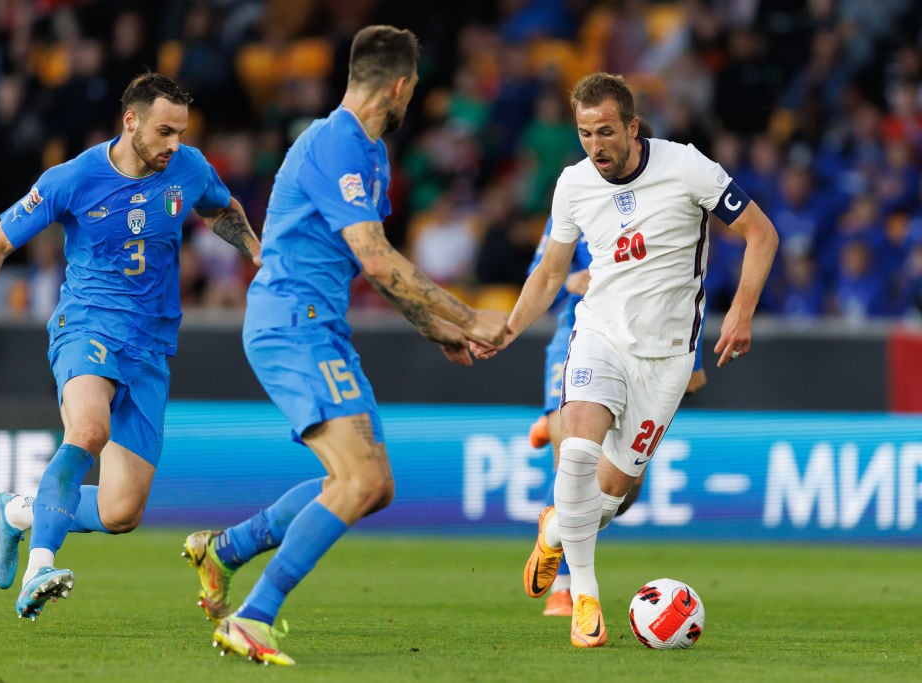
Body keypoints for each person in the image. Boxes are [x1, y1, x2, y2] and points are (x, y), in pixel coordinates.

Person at [180, 25, 508, 666]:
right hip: (292, 324)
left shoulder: (370, 153)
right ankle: (253, 617)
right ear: (402, 85)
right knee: (358, 480)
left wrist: (434, 327)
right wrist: (468, 316)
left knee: (373, 484)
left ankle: (227, 549)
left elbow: (368, 264)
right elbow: (378, 259)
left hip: (318, 325)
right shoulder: (337, 143)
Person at [0, 72, 262, 620]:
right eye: (164, 131)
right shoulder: (73, 178)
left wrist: (256, 250)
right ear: (131, 121)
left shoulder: (189, 167)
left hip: (151, 347)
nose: (174, 144)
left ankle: (16, 512)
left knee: (119, 512)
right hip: (87, 326)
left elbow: (219, 208)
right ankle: (40, 566)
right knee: (87, 429)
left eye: (180, 132)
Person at [473, 72, 777, 648]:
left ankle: (557, 527)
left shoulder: (688, 167)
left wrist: (741, 312)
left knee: (609, 498)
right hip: (599, 335)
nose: (596, 145)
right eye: (585, 133)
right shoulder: (573, 185)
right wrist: (511, 327)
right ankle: (584, 598)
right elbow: (551, 272)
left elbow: (762, 234)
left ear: (632, 127)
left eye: (606, 132)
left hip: (666, 358)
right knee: (580, 452)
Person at [526, 215, 708, 619]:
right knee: (572, 464)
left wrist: (692, 352)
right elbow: (539, 274)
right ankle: (566, 588)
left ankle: (554, 524)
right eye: (590, 144)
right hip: (579, 340)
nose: (598, 147)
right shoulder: (576, 198)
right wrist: (571, 281)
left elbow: (687, 282)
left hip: (644, 349)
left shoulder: (668, 198)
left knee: (623, 492)